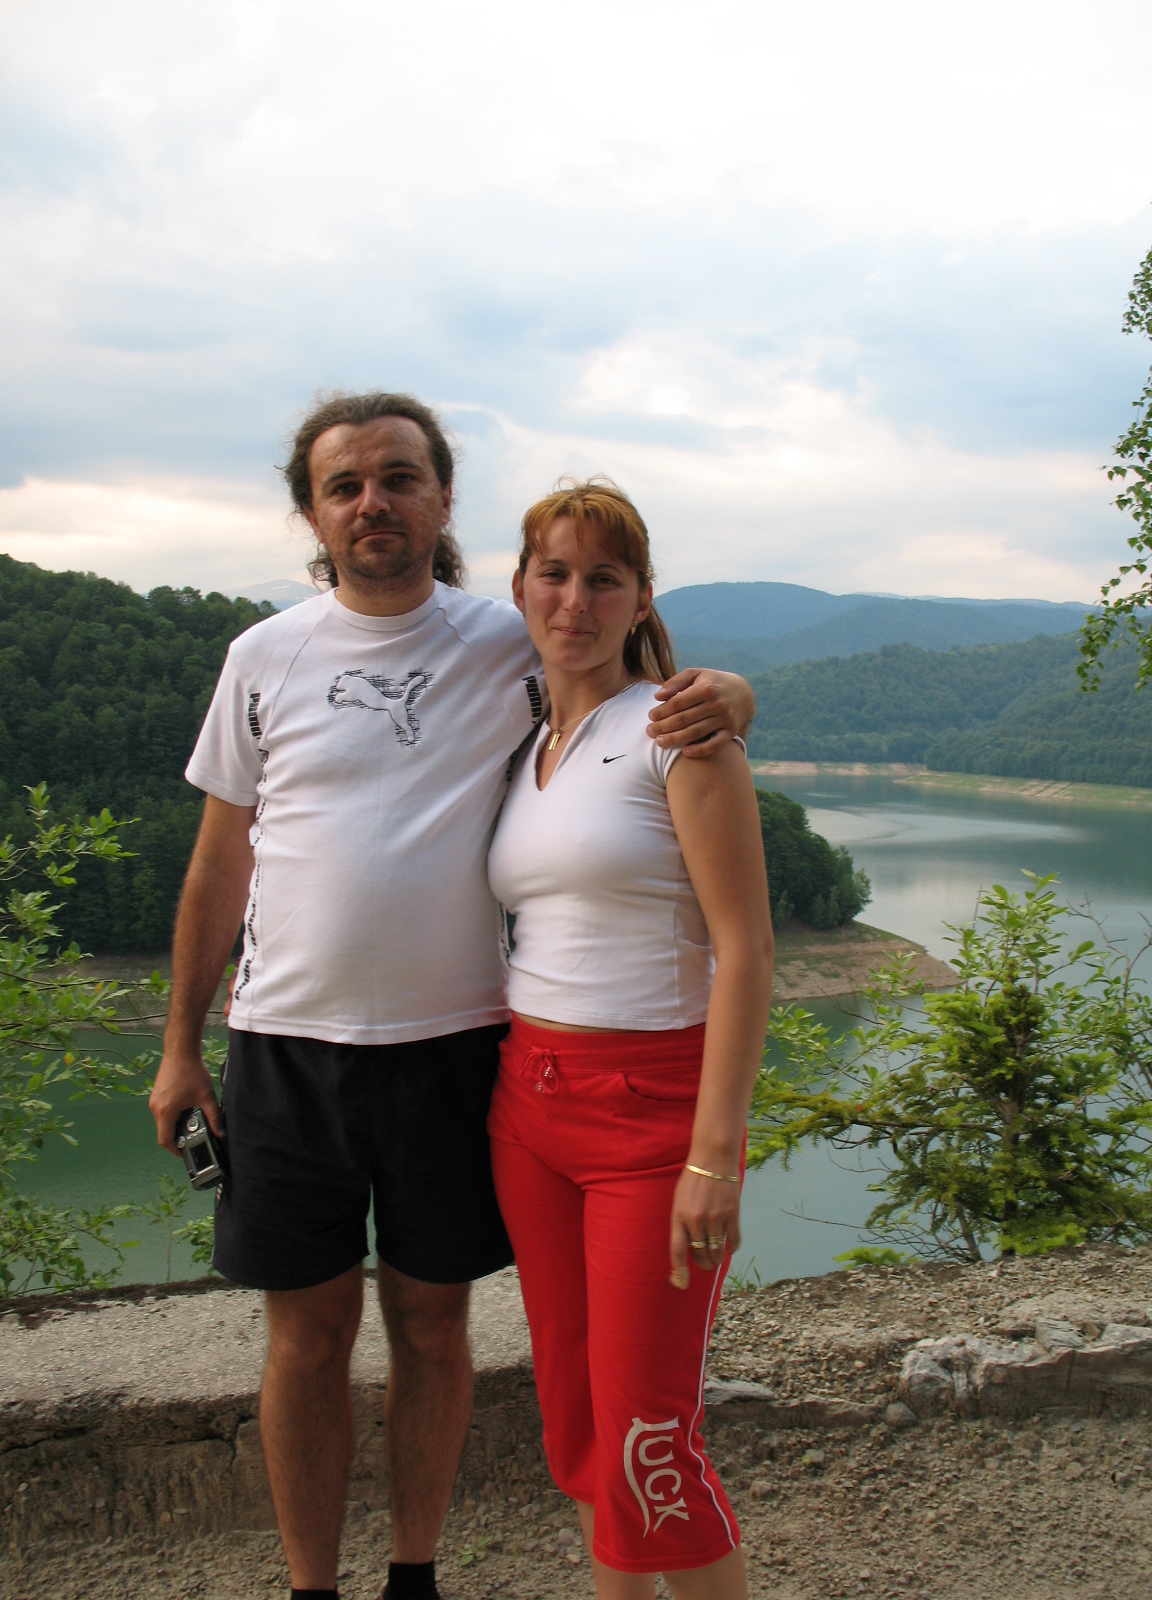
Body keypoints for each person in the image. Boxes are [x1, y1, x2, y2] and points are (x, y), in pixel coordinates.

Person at [146, 392, 757, 1600]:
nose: (372, 501)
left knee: (434, 1325)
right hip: (285, 1047)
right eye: (344, 484)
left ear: (441, 497)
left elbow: (634, 677)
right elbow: (220, 867)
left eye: (399, 477)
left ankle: (414, 1577)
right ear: (312, 512)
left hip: (455, 1049)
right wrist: (178, 1045)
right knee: (306, 1337)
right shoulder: (262, 657)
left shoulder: (506, 636)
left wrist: (731, 695)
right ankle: (312, 1586)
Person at [486, 478, 774, 1599]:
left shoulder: (679, 734)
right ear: (520, 587)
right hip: (529, 1108)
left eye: (603, 579)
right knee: (583, 1424)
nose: (575, 600)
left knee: (652, 1444)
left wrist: (715, 1154)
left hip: (651, 1119)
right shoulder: (525, 739)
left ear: (642, 597)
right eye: (554, 574)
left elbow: (747, 950)